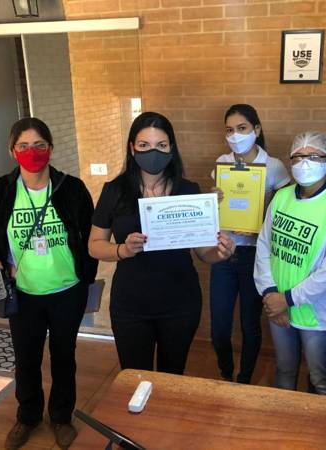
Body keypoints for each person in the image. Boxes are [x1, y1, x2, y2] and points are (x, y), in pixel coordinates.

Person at [0, 117, 97, 450]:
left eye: (39, 145)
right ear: (12, 151)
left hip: (67, 291)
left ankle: (61, 417)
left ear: (50, 148)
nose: (32, 152)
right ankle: (27, 417)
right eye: (24, 146)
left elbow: (90, 236)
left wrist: (86, 277)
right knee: (26, 359)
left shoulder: (72, 189)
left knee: (63, 356)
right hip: (23, 293)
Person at [89, 111, 236, 375]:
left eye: (161, 145)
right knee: (135, 378)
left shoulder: (189, 191)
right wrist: (123, 250)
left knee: (172, 376)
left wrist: (220, 252)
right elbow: (95, 245)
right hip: (131, 304)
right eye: (144, 145)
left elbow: (204, 252)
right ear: (132, 148)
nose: (153, 152)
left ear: (171, 148)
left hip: (180, 302)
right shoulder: (114, 190)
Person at [254, 131, 326, 396]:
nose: (305, 162)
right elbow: (265, 246)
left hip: (316, 313)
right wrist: (271, 294)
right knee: (284, 369)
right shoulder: (281, 198)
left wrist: (287, 300)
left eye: (314, 156)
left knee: (320, 377)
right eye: (298, 156)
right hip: (278, 305)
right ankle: (284, 419)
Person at [210, 104, 290, 383]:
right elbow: (214, 211)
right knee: (219, 327)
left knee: (249, 324)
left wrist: (261, 218)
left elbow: (284, 209)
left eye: (242, 128)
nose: (235, 135)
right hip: (223, 251)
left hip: (256, 255)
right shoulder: (222, 162)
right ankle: (225, 372)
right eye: (229, 130)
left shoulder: (274, 166)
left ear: (256, 129)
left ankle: (244, 379)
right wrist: (213, 200)